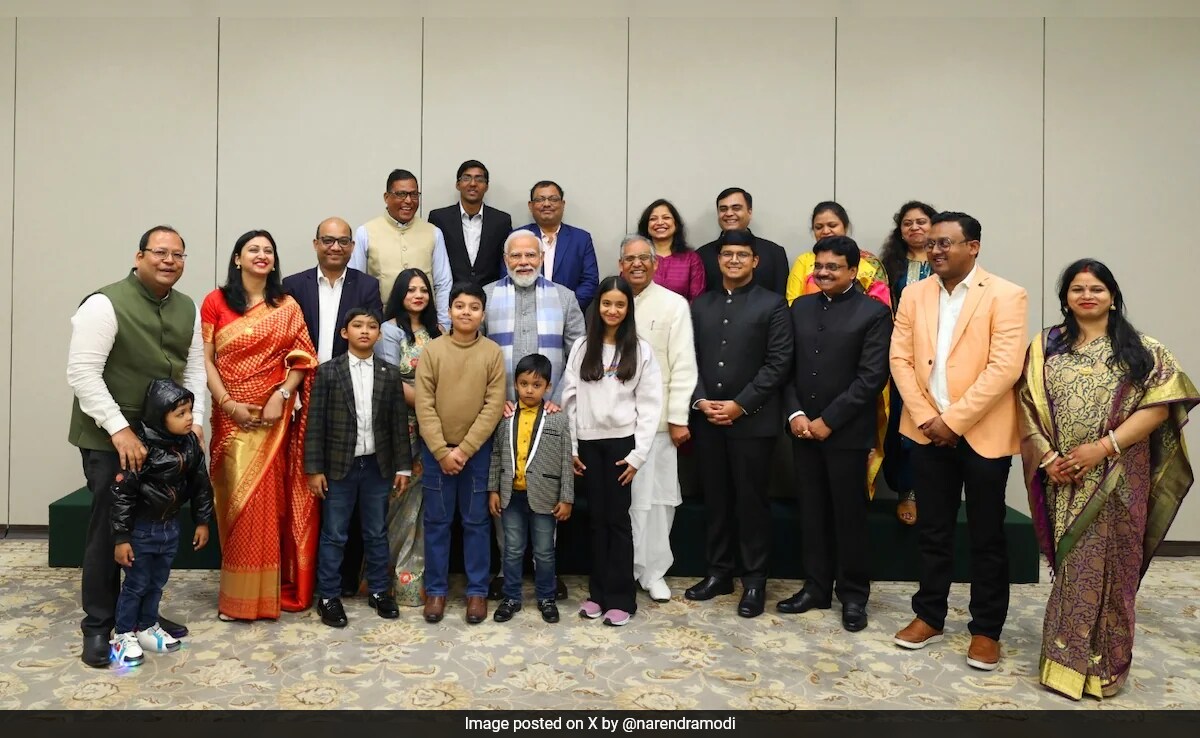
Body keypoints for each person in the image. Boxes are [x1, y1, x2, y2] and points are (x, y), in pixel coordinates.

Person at [1018, 259, 1198, 700]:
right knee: (1074, 568)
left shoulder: (1143, 349)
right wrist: (1048, 459)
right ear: (1065, 299)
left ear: (1112, 297)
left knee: (1114, 566)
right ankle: (1064, 662)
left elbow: (1160, 407)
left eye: (1096, 289)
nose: (1086, 296)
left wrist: (1103, 448)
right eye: (1076, 289)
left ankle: (1105, 664)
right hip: (1064, 477)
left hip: (1119, 477)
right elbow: (1026, 404)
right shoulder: (1046, 347)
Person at [889, 211, 1027, 671]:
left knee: (987, 536)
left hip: (982, 434)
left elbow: (1005, 368)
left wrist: (956, 421)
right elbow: (900, 360)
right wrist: (930, 418)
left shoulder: (1007, 295)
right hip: (927, 432)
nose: (937, 251)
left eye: (946, 242)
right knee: (933, 531)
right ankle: (928, 615)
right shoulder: (913, 293)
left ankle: (987, 631)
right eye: (932, 244)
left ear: (974, 246)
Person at [67, 225, 206, 667]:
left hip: (162, 440)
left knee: (149, 532)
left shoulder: (187, 307)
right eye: (160, 253)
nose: (170, 261)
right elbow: (82, 373)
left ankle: (140, 614)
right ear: (139, 255)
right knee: (112, 528)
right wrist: (118, 428)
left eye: (178, 255)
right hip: (110, 437)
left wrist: (196, 422)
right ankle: (98, 624)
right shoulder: (105, 303)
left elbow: (196, 369)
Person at [777, 237, 892, 632]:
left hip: (845, 433)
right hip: (802, 429)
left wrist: (829, 420)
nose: (823, 273)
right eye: (819, 266)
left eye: (833, 267)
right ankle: (815, 587)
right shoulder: (800, 307)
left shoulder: (873, 313)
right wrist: (795, 413)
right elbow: (785, 366)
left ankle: (854, 595)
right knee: (811, 512)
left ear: (853, 270)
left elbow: (872, 377)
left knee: (848, 516)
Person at [202, 230, 318, 621]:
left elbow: (303, 358)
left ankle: (266, 595)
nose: (262, 255)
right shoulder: (215, 302)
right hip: (231, 418)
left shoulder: (286, 305)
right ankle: (236, 598)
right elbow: (205, 361)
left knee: (268, 504)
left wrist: (280, 395)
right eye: (253, 249)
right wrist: (229, 403)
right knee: (237, 503)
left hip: (273, 419)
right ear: (237, 258)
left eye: (268, 250)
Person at [685, 229, 793, 618]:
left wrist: (740, 405)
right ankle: (718, 573)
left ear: (755, 260)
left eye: (741, 255)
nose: (733, 260)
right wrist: (699, 400)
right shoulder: (700, 304)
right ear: (718, 259)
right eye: (727, 254)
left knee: (751, 503)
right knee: (716, 500)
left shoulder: (774, 305)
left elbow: (778, 363)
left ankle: (754, 582)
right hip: (707, 420)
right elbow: (687, 358)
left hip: (753, 422)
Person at [482, 230, 586, 601]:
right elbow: (475, 352)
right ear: (506, 259)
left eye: (531, 255)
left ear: (542, 257)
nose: (523, 262)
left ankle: (547, 573)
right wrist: (496, 402)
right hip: (501, 413)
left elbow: (578, 353)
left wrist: (556, 399)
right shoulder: (488, 296)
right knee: (506, 494)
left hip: (551, 412)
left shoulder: (564, 297)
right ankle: (502, 573)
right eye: (516, 256)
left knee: (546, 488)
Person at [283, 216, 384, 597]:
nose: (336, 247)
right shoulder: (293, 286)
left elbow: (371, 334)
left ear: (352, 247)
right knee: (309, 488)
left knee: (352, 493)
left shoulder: (367, 286)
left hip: (350, 392)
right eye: (328, 240)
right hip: (303, 391)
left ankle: (346, 583)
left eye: (343, 241)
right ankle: (309, 581)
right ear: (316, 244)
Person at [563, 276, 662, 626]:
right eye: (607, 304)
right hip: (588, 444)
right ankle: (598, 594)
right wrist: (572, 446)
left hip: (623, 445)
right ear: (598, 307)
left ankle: (622, 598)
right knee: (596, 520)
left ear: (628, 309)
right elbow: (570, 399)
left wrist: (638, 455)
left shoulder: (641, 350)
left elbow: (650, 406)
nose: (613, 310)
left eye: (620, 304)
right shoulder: (581, 348)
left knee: (618, 521)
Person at [306, 308, 413, 629]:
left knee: (376, 532)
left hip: (377, 467)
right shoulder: (328, 372)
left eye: (371, 327)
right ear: (345, 332)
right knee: (335, 534)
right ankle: (328, 595)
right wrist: (314, 469)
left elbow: (398, 423)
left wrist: (403, 468)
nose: (365, 331)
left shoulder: (389, 373)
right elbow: (315, 425)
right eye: (357, 326)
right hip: (339, 467)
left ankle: (380, 591)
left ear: (379, 335)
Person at [414, 282, 506, 625]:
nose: (466, 312)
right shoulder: (434, 351)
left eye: (473, 307)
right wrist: (441, 450)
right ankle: (436, 591)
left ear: (483, 314)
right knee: (437, 523)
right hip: (437, 453)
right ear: (449, 311)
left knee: (476, 522)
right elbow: (424, 404)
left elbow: (493, 405)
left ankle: (477, 592)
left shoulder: (492, 352)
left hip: (477, 453)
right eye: (459, 306)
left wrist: (465, 449)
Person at [108, 379, 214, 666]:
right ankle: (122, 636)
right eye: (180, 414)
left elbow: (201, 484)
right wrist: (121, 538)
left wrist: (202, 521)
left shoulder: (191, 442)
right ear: (159, 416)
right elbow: (122, 495)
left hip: (169, 527)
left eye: (190, 411)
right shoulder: (140, 447)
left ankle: (146, 627)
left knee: (157, 582)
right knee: (136, 583)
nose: (190, 418)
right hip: (142, 529)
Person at [617, 235, 698, 602]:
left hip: (661, 422)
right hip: (616, 422)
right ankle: (625, 568)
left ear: (655, 264)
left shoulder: (674, 304)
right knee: (627, 501)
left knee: (660, 499)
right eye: (629, 259)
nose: (636, 264)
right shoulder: (610, 303)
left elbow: (684, 365)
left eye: (643, 258)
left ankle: (654, 571)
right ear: (620, 265)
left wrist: (679, 416)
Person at [488, 353, 575, 624]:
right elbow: (496, 455)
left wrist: (567, 497)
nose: (529, 389)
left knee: (544, 551)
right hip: (511, 494)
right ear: (515, 383)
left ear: (547, 387)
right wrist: (493, 489)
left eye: (536, 385)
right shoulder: (505, 416)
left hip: (545, 496)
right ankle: (511, 596)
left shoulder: (557, 419)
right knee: (512, 549)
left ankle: (546, 596)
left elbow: (565, 460)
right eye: (523, 383)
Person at [374, 268, 443, 606]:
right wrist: (430, 403)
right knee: (396, 501)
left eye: (424, 290)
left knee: (424, 507)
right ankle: (383, 578)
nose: (418, 295)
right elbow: (387, 378)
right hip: (401, 425)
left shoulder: (438, 332)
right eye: (411, 289)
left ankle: (413, 578)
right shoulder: (388, 331)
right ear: (399, 293)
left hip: (435, 427)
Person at [878, 201, 939, 527]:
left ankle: (935, 493)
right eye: (907, 223)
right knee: (901, 422)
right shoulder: (889, 266)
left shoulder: (947, 261)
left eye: (921, 221)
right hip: (899, 354)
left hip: (942, 355)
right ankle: (907, 492)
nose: (914, 228)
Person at [349, 168, 453, 328]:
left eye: (414, 195)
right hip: (380, 325)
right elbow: (355, 283)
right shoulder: (366, 232)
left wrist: (443, 324)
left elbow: (443, 282)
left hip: (425, 326)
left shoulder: (433, 232)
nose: (408, 201)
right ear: (386, 197)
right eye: (401, 194)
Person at [786, 201, 890, 306]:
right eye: (819, 227)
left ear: (845, 227)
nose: (825, 231)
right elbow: (793, 304)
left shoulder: (870, 262)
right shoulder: (803, 261)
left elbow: (880, 306)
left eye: (832, 225)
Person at [516, 180, 599, 310]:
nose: (547, 204)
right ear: (531, 205)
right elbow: (508, 277)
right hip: (526, 315)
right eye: (540, 199)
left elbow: (589, 282)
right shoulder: (518, 238)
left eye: (553, 199)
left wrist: (566, 308)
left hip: (569, 317)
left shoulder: (581, 239)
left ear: (563, 204)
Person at [428, 159, 513, 287]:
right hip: (451, 297)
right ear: (458, 184)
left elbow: (505, 262)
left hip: (490, 296)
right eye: (467, 178)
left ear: (487, 186)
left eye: (479, 179)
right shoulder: (439, 218)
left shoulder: (501, 221)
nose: (473, 184)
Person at [695, 187, 789, 296]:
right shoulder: (701, 255)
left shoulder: (774, 253)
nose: (729, 213)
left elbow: (780, 300)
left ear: (749, 212)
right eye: (723, 209)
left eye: (736, 208)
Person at [636, 199, 705, 302]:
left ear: (676, 224)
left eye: (666, 217)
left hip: (681, 317)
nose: (660, 222)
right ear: (646, 226)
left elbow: (697, 301)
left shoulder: (691, 259)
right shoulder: (636, 258)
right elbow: (624, 294)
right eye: (653, 219)